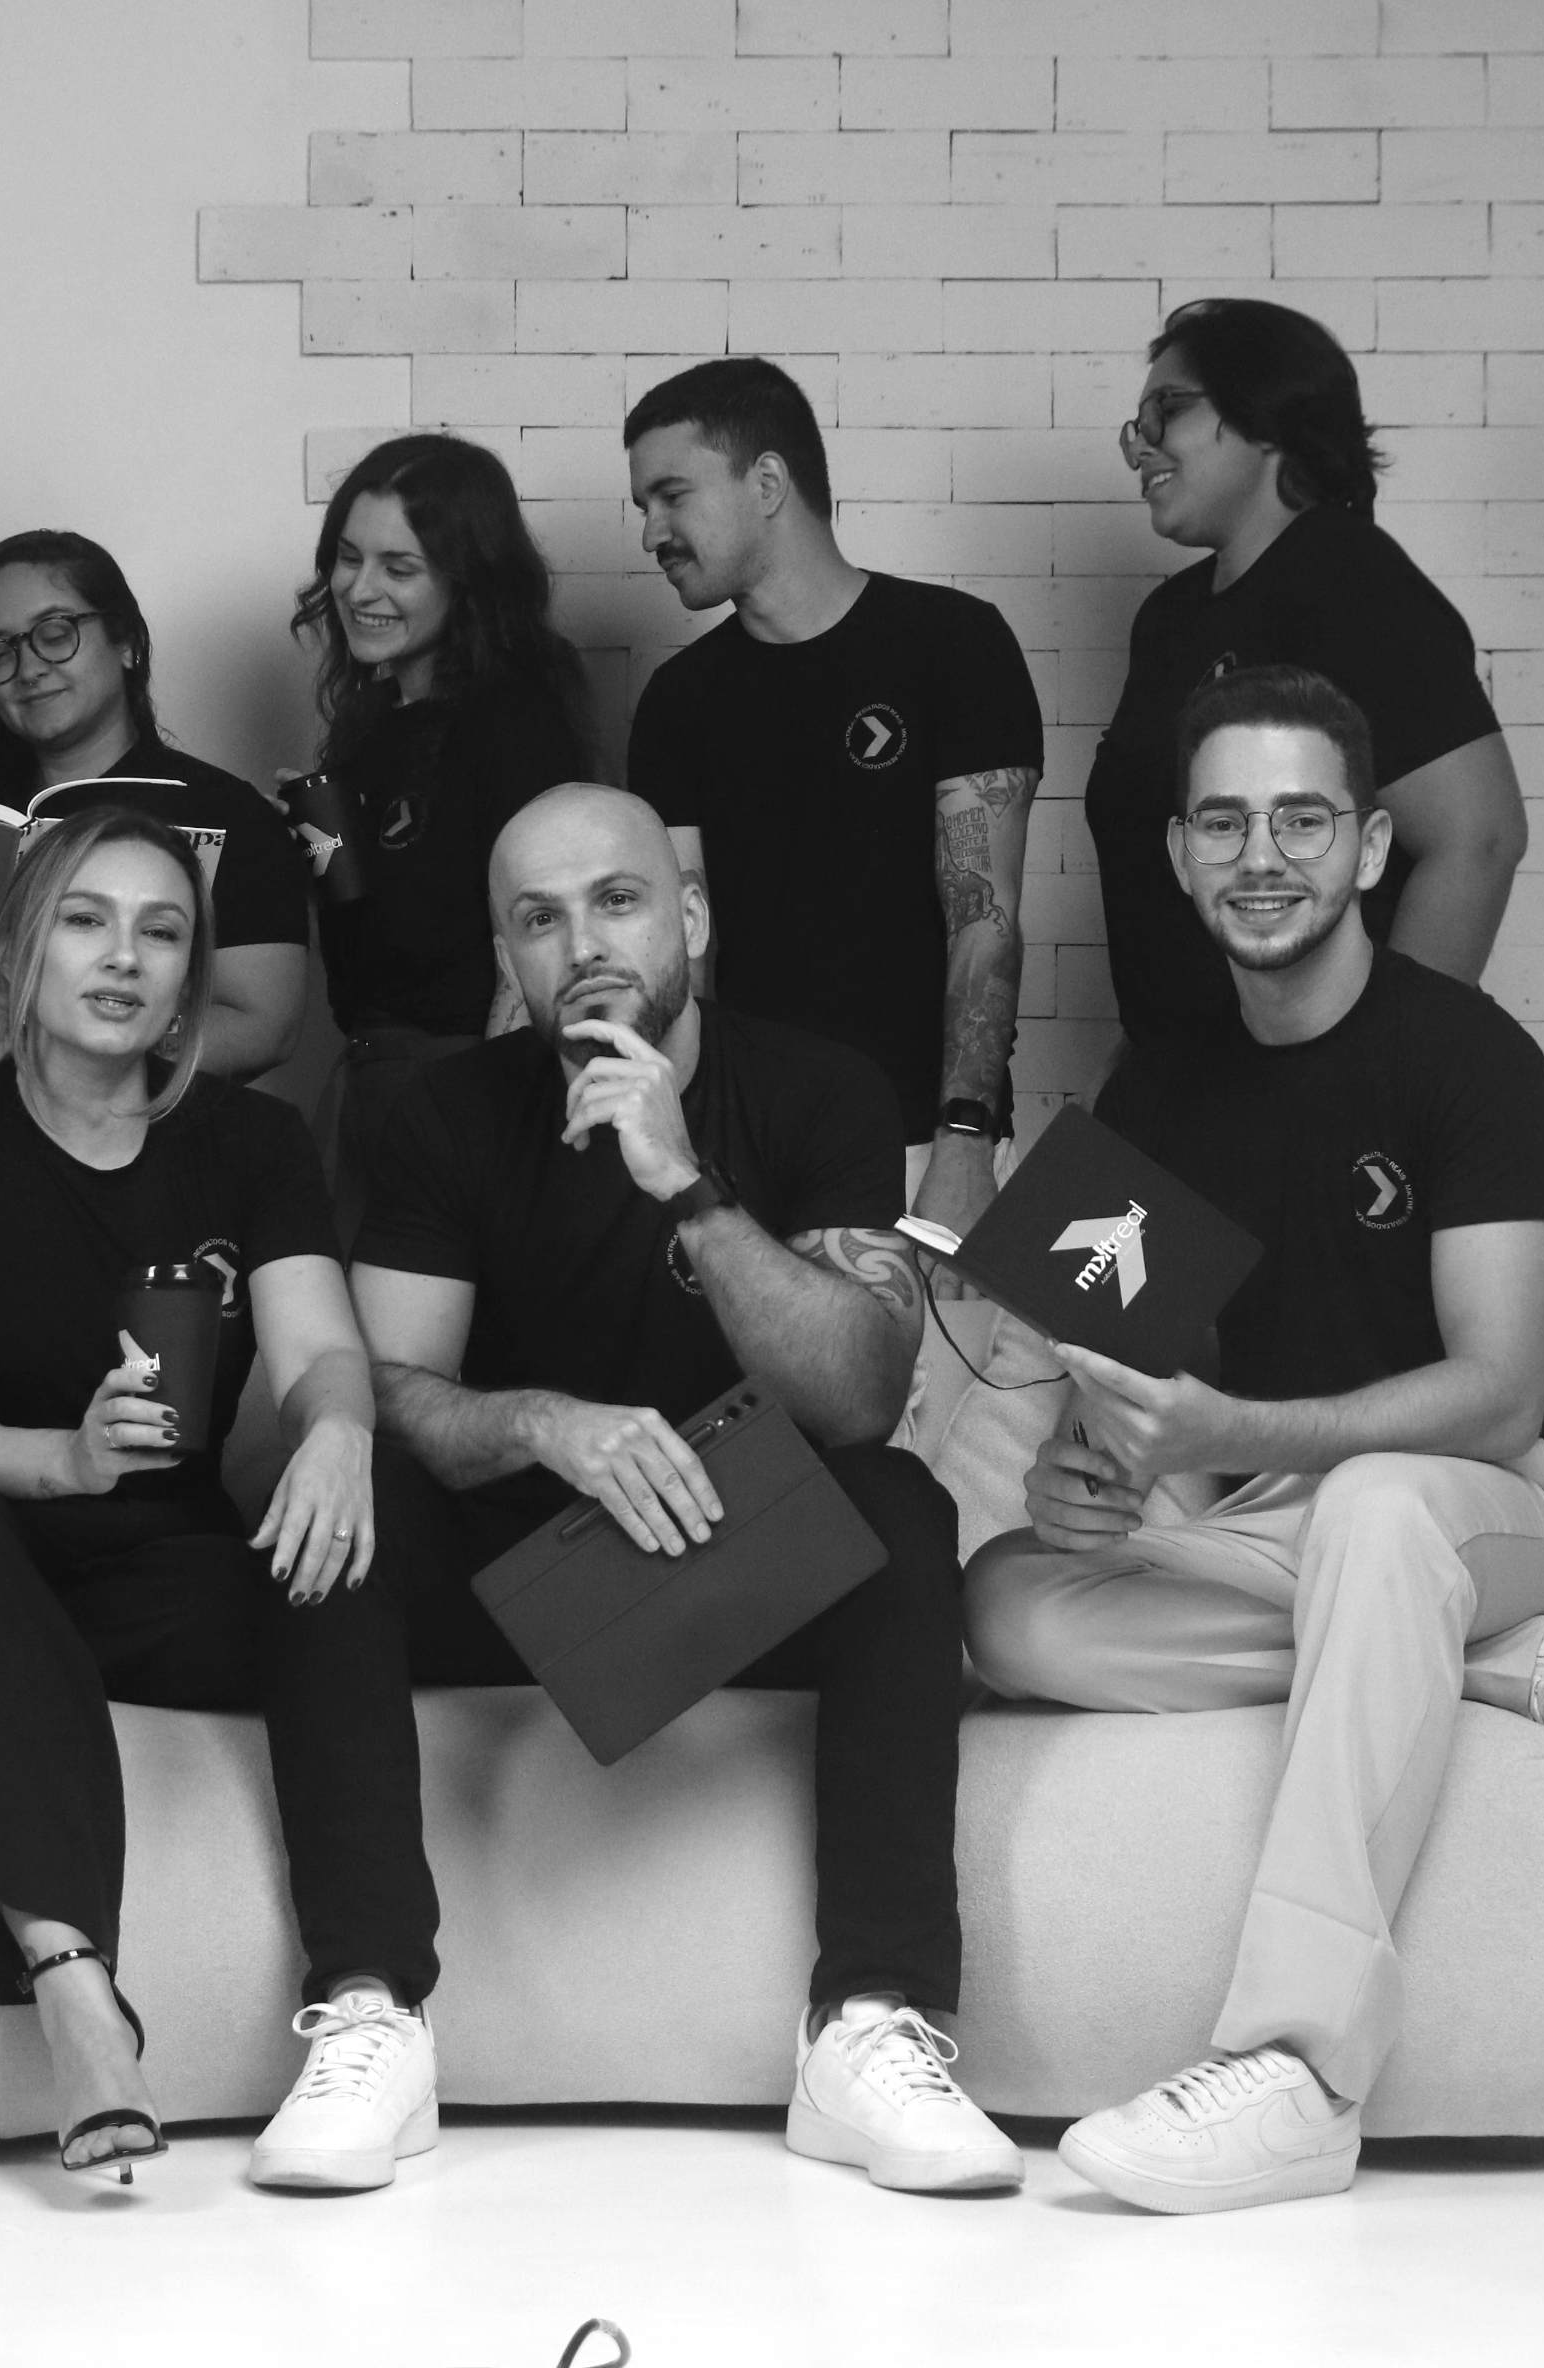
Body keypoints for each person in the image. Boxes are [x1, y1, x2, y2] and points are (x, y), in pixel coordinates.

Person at [961, 666, 1544, 2217]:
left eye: (1301, 818)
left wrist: (1227, 1432)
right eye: (1223, 820)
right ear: (1176, 855)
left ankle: (1298, 2072)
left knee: (1379, 1522)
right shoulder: (1159, 1081)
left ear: (1366, 850)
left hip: (1497, 1497)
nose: (1260, 854)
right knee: (1009, 1599)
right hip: (1290, 1516)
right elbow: (1122, 1374)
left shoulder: (1471, 1055)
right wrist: (1095, 1465)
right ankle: (1504, 1668)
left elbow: (1497, 1387)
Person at [348, 783, 1023, 2197]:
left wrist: (685, 1183)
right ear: (506, 958)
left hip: (719, 1563)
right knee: (354, 1504)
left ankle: (870, 2022)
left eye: (617, 900)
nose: (581, 943)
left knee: (897, 1505)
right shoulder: (443, 1112)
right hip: (525, 1578)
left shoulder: (816, 1089)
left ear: (692, 918)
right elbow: (385, 1390)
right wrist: (542, 1424)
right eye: (537, 920)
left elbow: (853, 1394)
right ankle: (370, 2018)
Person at [0, 804, 438, 2195]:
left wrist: (335, 1430)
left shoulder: (249, 1144)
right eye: (87, 921)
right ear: (25, 946)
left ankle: (375, 2012)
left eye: (162, 933)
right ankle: (75, 1988)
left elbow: (323, 1348)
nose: (124, 958)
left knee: (330, 1552)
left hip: (152, 1563)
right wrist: (63, 1458)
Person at [621, 357, 1045, 1253]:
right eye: (642, 507)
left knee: (940, 1392)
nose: (651, 532)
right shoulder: (679, 700)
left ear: (767, 481)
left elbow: (985, 915)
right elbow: (684, 953)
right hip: (749, 1150)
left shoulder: (953, 646)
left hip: (924, 1141)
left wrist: (966, 1140)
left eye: (671, 496)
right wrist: (685, 1148)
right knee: (751, 1401)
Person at [1086, 299, 1528, 1057]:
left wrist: (1365, 1076)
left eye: (1170, 409)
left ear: (1268, 417)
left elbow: (1478, 837)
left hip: (1297, 1098)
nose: (1142, 446)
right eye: (1137, 425)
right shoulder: (1169, 619)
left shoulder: (1345, 578)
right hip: (1175, 1093)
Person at [292, 432, 597, 1216]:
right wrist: (314, 840)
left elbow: (536, 938)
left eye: (399, 568)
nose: (360, 589)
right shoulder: (373, 725)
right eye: (348, 557)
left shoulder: (515, 722)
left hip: (467, 1091)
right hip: (370, 1077)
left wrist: (493, 1122)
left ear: (470, 581)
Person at [0, 529, 309, 1082]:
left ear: (125, 641)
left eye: (55, 634)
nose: (28, 668)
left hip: (159, 1140)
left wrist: (60, 1057)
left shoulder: (229, 812)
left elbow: (265, 1028)